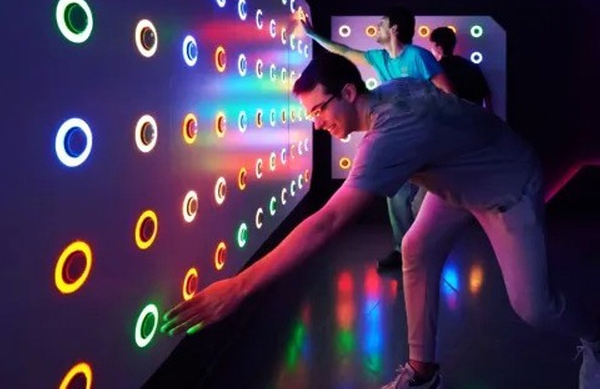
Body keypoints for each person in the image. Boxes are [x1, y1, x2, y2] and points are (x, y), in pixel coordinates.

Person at [160, 52, 600, 389]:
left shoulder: (388, 134)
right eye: (310, 115)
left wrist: (238, 288)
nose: (317, 123)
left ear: (349, 93)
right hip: (458, 177)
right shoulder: (390, 92)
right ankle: (422, 373)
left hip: (508, 184)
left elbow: (328, 222)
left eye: (318, 110)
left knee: (533, 306)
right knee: (415, 247)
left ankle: (596, 336)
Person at [301, 7, 453, 271]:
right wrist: (313, 34)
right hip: (399, 140)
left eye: (382, 24)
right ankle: (402, 250)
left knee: (424, 201)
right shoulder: (379, 57)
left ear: (394, 29)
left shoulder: (418, 56)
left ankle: (423, 249)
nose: (377, 28)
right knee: (396, 197)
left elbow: (447, 92)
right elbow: (343, 51)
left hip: (427, 139)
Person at [429, 26, 493, 111]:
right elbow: (486, 94)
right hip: (471, 114)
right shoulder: (470, 65)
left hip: (448, 115)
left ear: (438, 47)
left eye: (432, 45)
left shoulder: (435, 70)